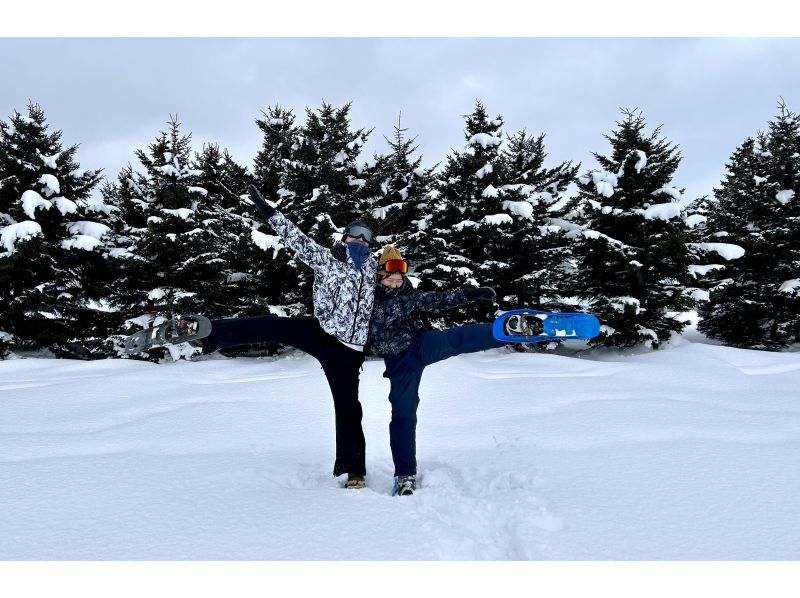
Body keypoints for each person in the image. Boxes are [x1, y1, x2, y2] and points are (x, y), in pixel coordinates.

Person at [180, 185, 377, 489]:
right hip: (322, 331)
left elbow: (397, 284)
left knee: (349, 408)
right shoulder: (327, 259)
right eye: (354, 234)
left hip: (349, 351)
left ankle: (354, 471)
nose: (360, 239)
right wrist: (269, 212)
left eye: (366, 236)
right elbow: (296, 238)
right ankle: (206, 334)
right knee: (273, 326)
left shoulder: (375, 269)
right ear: (344, 237)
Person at [368, 246, 508, 496]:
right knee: (403, 416)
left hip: (419, 345)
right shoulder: (365, 298)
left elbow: (441, 300)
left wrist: (471, 294)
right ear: (379, 276)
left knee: (455, 340)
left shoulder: (409, 296)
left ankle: (504, 331)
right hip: (399, 364)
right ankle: (404, 475)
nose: (396, 284)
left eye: (399, 279)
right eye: (390, 279)